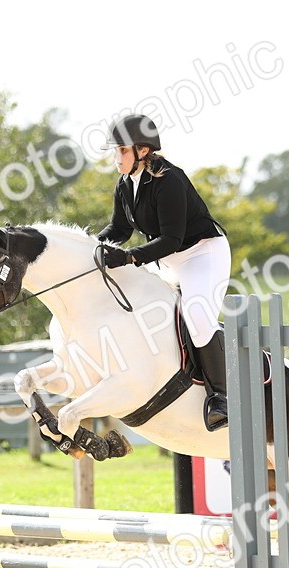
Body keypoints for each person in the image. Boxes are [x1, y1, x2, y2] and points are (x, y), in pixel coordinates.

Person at [94, 114, 231, 431]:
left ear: (142, 151)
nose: (116, 158)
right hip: (166, 260)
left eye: (121, 151)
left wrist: (130, 258)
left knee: (196, 314)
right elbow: (119, 228)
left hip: (201, 254)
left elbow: (171, 238)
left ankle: (221, 398)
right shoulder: (125, 184)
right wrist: (93, 247)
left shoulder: (169, 179)